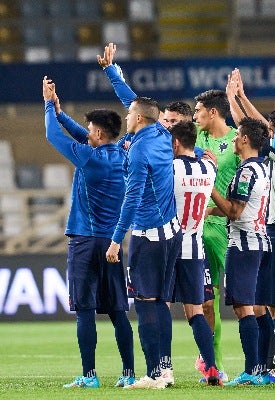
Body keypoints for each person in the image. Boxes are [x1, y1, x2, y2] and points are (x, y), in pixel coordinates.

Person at [43, 77, 135, 389]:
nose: (88, 134)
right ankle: (128, 373)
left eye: (91, 129)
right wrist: (59, 110)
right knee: (118, 310)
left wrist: (47, 108)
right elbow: (86, 135)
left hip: (84, 240)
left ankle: (89, 376)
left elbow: (52, 135)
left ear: (98, 133)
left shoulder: (89, 158)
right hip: (112, 242)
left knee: (85, 309)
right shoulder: (122, 154)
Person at [101, 60, 183, 388]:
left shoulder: (137, 153)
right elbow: (133, 101)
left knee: (146, 301)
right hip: (171, 232)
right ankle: (165, 367)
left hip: (148, 235)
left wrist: (116, 240)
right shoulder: (162, 134)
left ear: (137, 120)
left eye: (128, 115)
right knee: (159, 300)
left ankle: (152, 374)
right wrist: (112, 73)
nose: (124, 117)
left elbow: (131, 199)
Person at [224, 69, 275, 380]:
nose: (271, 133)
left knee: (273, 306)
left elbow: (254, 132)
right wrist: (238, 98)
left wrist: (240, 98)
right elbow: (252, 130)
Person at [207, 117, 271, 386]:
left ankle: (252, 370)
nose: (233, 139)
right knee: (256, 307)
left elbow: (235, 211)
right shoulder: (261, 167)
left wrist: (208, 183)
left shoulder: (246, 172)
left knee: (244, 308)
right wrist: (209, 210)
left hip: (244, 244)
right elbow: (234, 206)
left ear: (245, 139)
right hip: (258, 242)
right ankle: (262, 369)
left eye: (237, 136)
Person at [168, 120, 222, 385]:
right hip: (195, 247)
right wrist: (202, 155)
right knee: (196, 311)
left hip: (168, 246)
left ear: (175, 143)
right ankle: (212, 367)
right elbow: (209, 159)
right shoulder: (209, 169)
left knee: (160, 305)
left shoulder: (171, 168)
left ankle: (163, 368)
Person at [193, 88, 240, 381]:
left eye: (198, 111)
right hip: (198, 231)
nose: (194, 116)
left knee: (249, 301)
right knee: (208, 302)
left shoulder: (237, 139)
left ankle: (273, 360)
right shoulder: (195, 139)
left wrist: (238, 99)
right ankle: (215, 366)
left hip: (231, 229)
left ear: (212, 111)